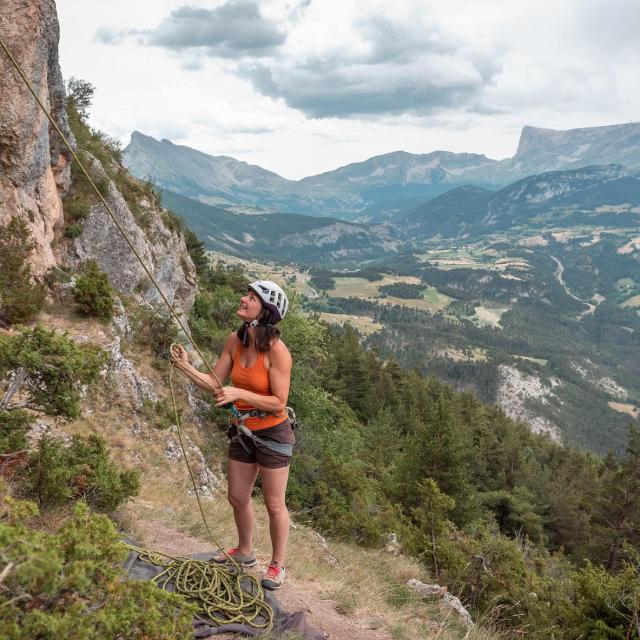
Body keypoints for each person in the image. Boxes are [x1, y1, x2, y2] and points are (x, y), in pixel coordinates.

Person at [171, 280, 293, 590]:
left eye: (251, 298)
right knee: (237, 497)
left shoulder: (277, 352)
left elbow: (279, 402)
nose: (243, 299)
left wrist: (239, 392)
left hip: (273, 433)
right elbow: (216, 382)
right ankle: (245, 552)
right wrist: (185, 366)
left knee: (274, 504)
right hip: (243, 431)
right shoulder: (234, 341)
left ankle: (277, 565)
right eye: (247, 295)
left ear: (263, 312)